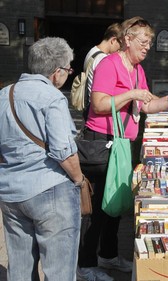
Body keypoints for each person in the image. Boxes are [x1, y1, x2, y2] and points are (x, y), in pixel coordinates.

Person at [77, 16, 168, 281]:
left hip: (122, 144)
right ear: (127, 40)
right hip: (102, 142)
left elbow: (147, 105)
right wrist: (131, 94)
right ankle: (85, 264)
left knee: (117, 202)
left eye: (150, 43)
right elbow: (98, 103)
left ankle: (108, 255)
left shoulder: (137, 69)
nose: (147, 47)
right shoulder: (110, 64)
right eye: (143, 42)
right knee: (97, 206)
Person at [0, 37, 82, 280]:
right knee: (59, 270)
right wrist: (78, 179)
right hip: (51, 190)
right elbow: (63, 151)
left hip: (11, 191)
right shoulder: (53, 97)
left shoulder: (4, 94)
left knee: (20, 267)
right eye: (68, 70)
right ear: (57, 73)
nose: (68, 74)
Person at [82, 22, 123, 121]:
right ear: (113, 40)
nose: (119, 50)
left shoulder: (92, 51)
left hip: (88, 104)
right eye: (120, 45)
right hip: (96, 106)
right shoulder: (103, 59)